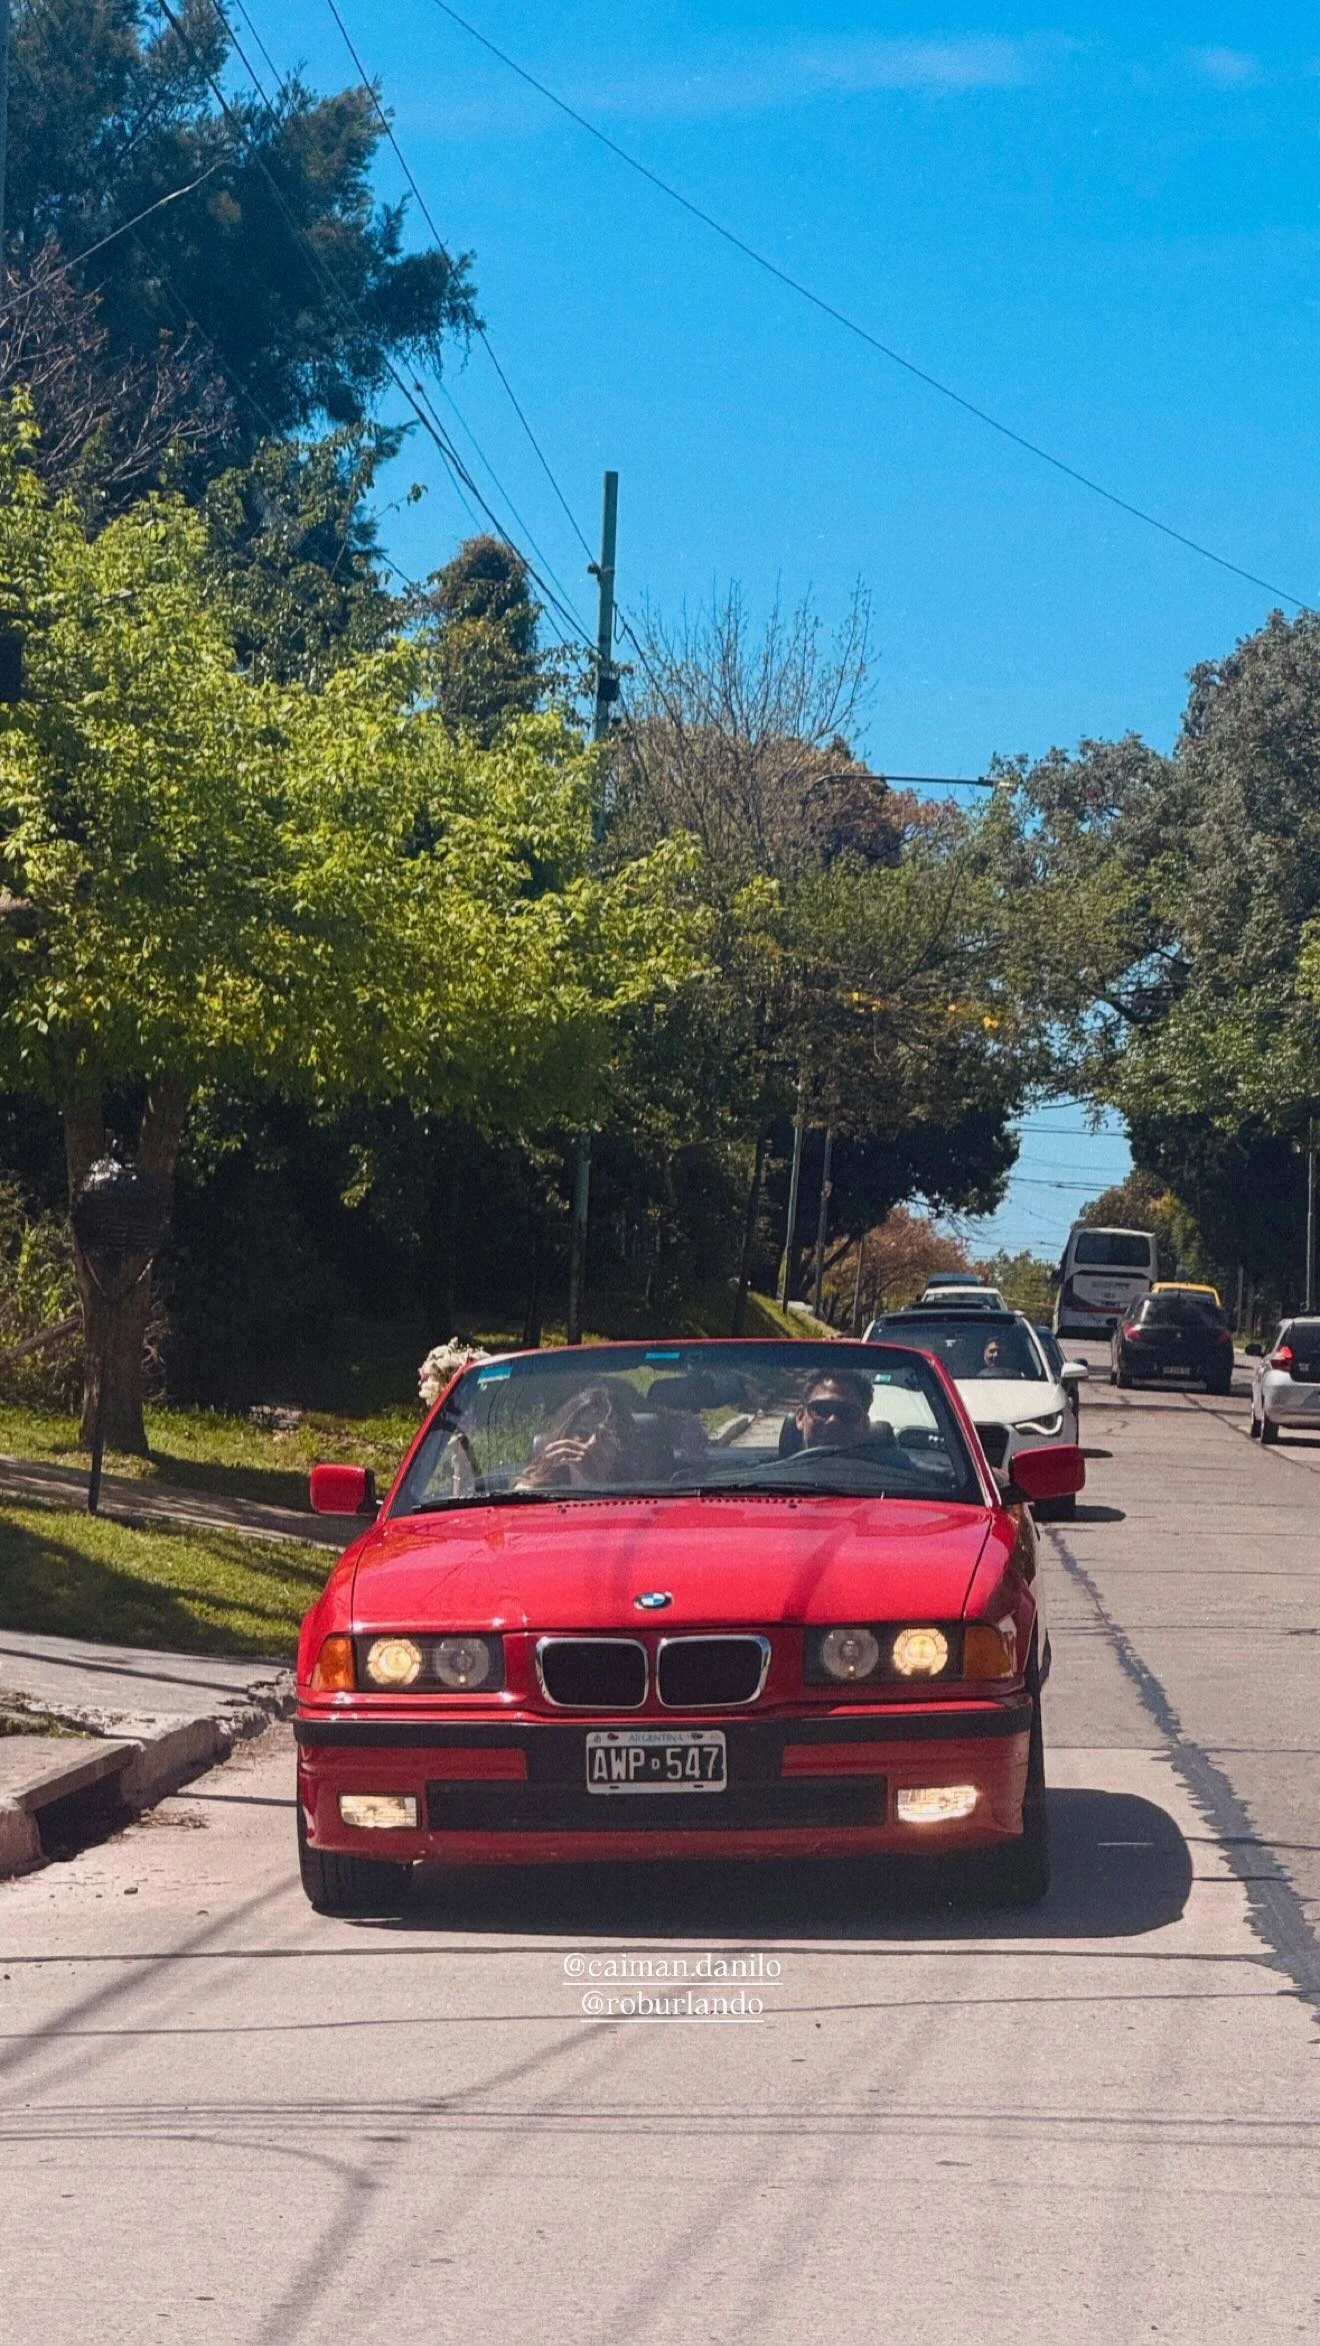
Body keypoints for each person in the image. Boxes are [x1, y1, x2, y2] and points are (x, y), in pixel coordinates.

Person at [515, 1382, 648, 1490]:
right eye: (582, 1433)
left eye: (605, 1436)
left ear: (622, 1446)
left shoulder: (641, 1492)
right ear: (565, 1437)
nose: (592, 1443)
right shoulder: (533, 1491)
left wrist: (594, 1481)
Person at [794, 1370, 874, 1449]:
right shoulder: (785, 1462)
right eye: (822, 1410)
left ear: (865, 1425)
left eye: (846, 1412)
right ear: (801, 1417)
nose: (833, 1420)